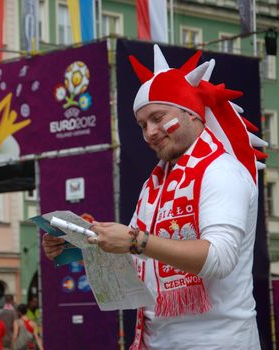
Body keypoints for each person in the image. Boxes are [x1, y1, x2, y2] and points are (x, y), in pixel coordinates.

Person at [42, 45, 265, 349]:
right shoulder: (156, 184)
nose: (150, 132)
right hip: (157, 340)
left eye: (158, 117)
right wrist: (80, 240)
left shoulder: (220, 171)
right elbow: (141, 258)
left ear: (191, 114)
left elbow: (219, 258)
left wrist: (136, 240)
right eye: (143, 124)